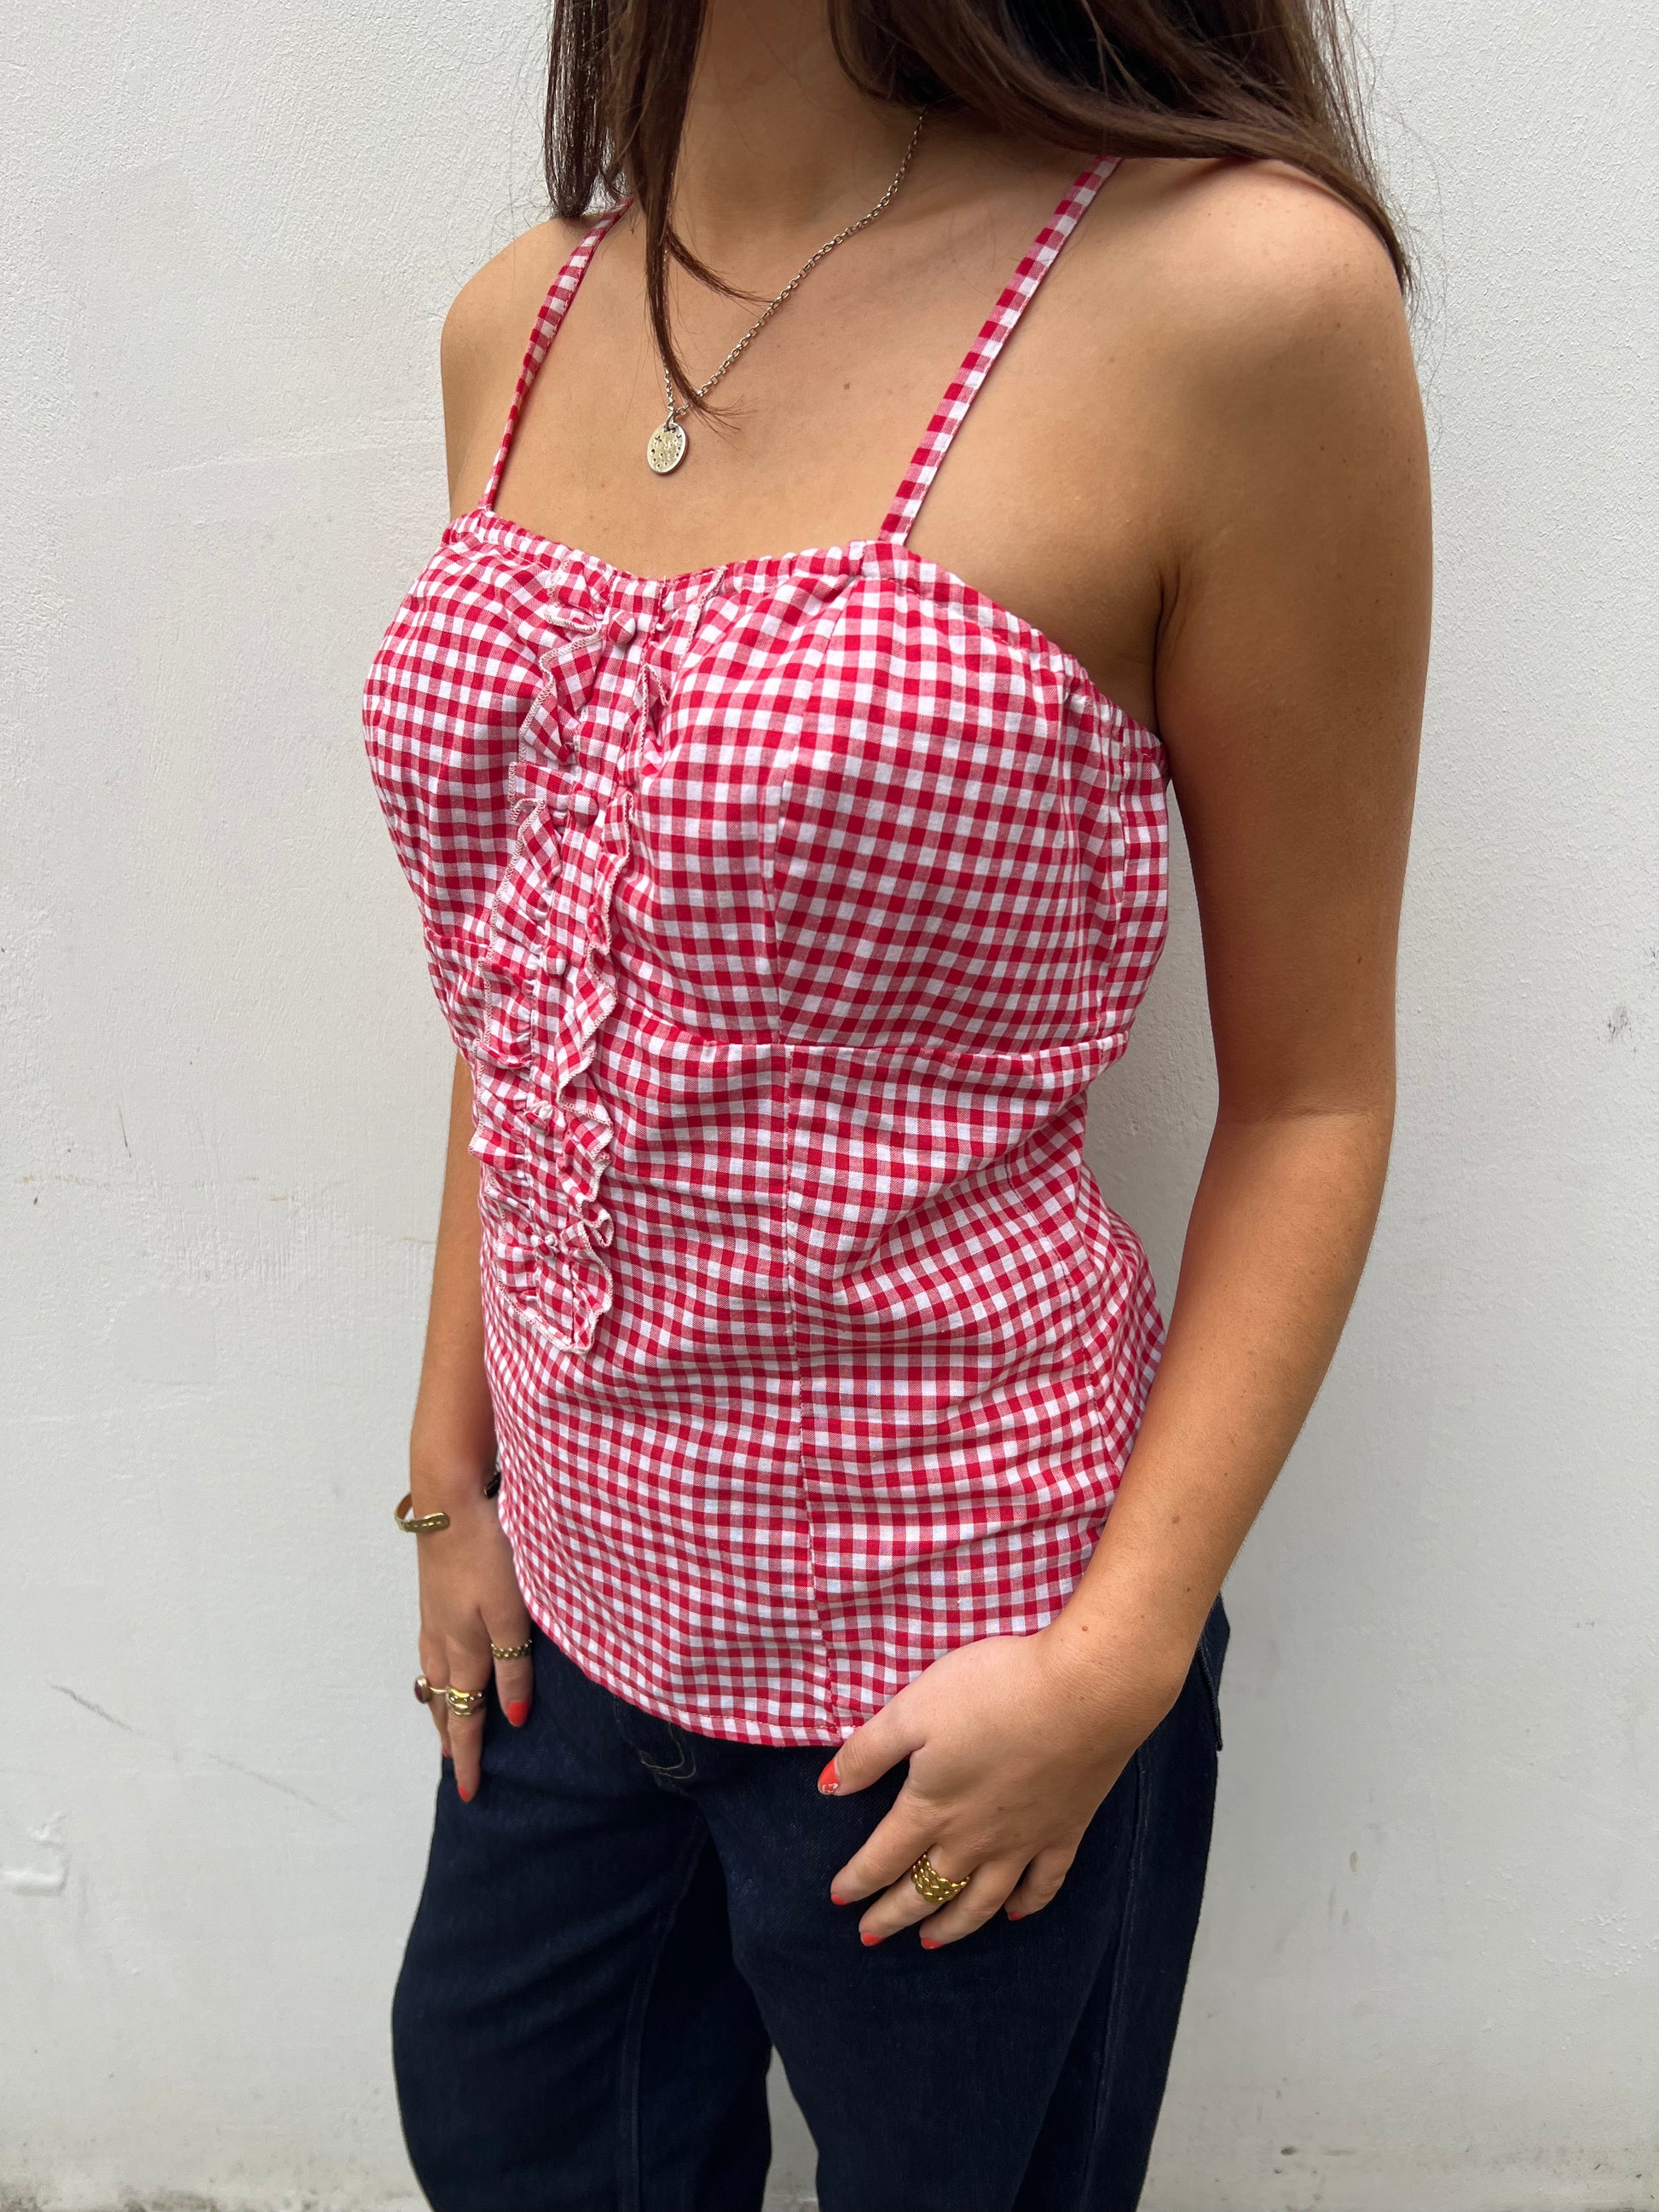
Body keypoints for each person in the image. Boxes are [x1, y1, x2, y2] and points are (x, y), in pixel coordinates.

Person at [361, 1, 1429, 2205]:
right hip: (567, 1630)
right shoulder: (517, 322)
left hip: (961, 1664)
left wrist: (1110, 1667)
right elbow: (527, 974)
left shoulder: (1224, 298)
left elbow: (1310, 1091)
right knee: (500, 2133)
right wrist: (445, 1465)